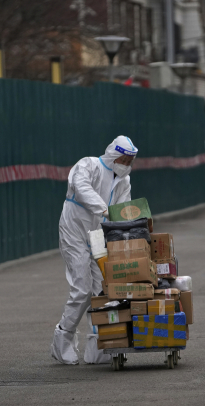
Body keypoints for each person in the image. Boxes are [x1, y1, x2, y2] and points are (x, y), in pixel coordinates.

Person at [50, 136, 137, 365]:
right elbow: (81, 189)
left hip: (99, 236)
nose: (126, 164)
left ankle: (100, 344)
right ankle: (62, 340)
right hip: (74, 231)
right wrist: (105, 210)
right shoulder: (88, 165)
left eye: (130, 160)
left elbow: (123, 212)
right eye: (123, 159)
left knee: (102, 290)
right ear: (112, 155)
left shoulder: (124, 182)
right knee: (82, 289)